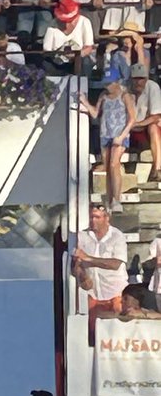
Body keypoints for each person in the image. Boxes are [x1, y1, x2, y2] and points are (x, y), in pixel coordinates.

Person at [72, 199, 128, 333]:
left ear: (106, 218)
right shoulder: (81, 236)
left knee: (117, 333)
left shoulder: (117, 236)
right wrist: (82, 276)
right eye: (91, 217)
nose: (93, 221)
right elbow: (76, 263)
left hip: (116, 293)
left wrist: (89, 259)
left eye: (97, 217)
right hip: (92, 294)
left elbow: (115, 264)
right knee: (92, 332)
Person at [79, 81, 134, 211]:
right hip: (105, 134)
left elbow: (132, 118)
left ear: (116, 82)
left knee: (115, 164)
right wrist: (84, 101)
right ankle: (110, 200)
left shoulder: (124, 95)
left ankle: (117, 199)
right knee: (108, 167)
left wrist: (122, 136)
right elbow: (95, 113)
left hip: (120, 135)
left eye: (109, 84)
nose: (107, 87)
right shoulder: (103, 95)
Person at [128, 64, 161, 182]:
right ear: (131, 79)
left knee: (153, 126)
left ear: (146, 79)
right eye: (136, 79)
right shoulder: (124, 88)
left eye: (141, 78)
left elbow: (156, 116)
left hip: (144, 128)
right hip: (129, 128)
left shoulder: (153, 87)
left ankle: (157, 168)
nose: (138, 82)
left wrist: (136, 124)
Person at [43, 0, 95, 69]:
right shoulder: (52, 25)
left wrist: (76, 55)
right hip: (56, 62)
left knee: (86, 61)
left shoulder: (85, 22)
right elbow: (46, 50)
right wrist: (59, 54)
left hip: (79, 60)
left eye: (70, 20)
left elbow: (88, 47)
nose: (67, 24)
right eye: (63, 21)